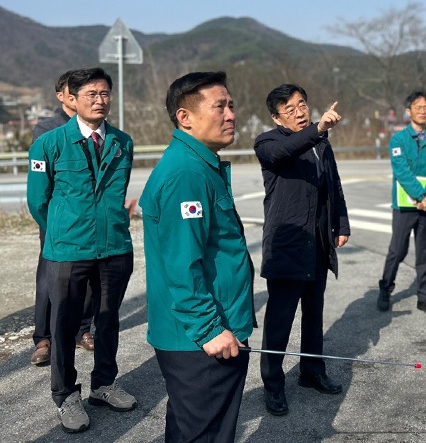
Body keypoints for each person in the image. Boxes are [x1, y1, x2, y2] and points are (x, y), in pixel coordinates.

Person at [139, 71, 256, 442]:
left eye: (231, 105)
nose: (230, 114)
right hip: (201, 340)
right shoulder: (187, 174)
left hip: (210, 331)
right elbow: (181, 266)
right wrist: (210, 330)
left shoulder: (199, 165)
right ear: (184, 117)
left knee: (193, 429)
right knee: (204, 434)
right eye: (219, 106)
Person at [27, 67, 136, 433]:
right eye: (91, 94)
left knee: (108, 320)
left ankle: (104, 384)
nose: (100, 100)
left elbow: (118, 195)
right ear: (72, 98)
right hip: (68, 250)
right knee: (64, 324)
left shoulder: (123, 141)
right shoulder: (49, 143)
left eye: (105, 93)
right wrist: (64, 231)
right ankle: (65, 395)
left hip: (114, 248)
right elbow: (37, 202)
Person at [254, 83, 350, 416]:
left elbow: (333, 185)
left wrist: (342, 224)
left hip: (317, 243)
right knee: (279, 320)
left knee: (313, 313)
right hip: (287, 245)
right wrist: (318, 128)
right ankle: (273, 383)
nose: (300, 112)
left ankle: (311, 371)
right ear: (276, 117)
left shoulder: (321, 144)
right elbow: (283, 154)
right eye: (291, 109)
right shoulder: (268, 143)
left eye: (302, 105)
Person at [30, 70, 96, 367]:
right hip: (59, 219)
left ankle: (82, 330)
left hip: (91, 221)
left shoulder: (96, 128)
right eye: (76, 91)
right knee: (50, 276)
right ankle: (44, 337)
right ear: (63, 96)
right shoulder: (47, 129)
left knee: (90, 277)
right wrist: (50, 222)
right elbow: (41, 187)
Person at [377, 91, 426, 317]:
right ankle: (385, 288)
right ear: (408, 112)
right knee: (397, 250)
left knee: (425, 253)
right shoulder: (398, 139)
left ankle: (424, 298)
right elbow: (401, 171)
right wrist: (419, 196)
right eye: (418, 107)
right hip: (405, 206)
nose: (424, 111)